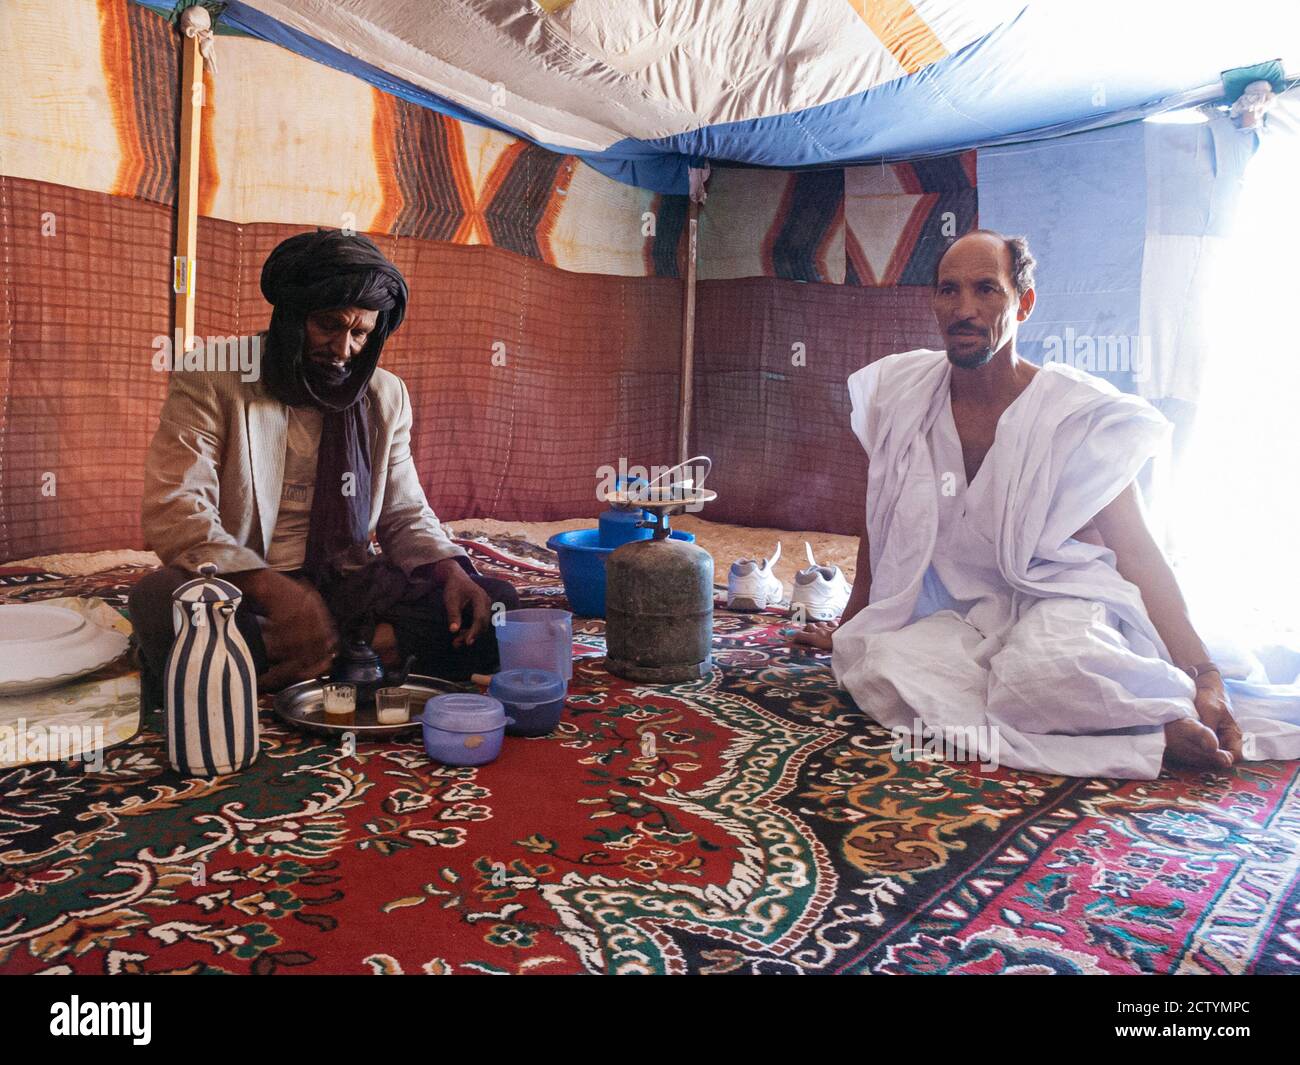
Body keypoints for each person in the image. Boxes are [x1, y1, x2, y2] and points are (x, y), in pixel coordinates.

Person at [793, 229, 1300, 778]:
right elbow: (880, 511)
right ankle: (1152, 732)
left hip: (1060, 598)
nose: (964, 309)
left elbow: (1138, 551)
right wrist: (852, 622)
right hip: (954, 613)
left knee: (1044, 675)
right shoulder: (901, 392)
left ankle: (1157, 713)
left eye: (987, 289)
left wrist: (1206, 675)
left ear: (1024, 302)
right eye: (949, 290)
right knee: (878, 660)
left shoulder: (1076, 413)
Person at [129, 229, 518, 708]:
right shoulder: (214, 376)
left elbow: (404, 512)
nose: (343, 349)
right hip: (247, 583)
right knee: (160, 599)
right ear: (291, 316)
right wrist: (270, 589)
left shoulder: (385, 395)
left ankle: (291, 661)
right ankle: (357, 655)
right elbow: (176, 507)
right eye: (328, 326)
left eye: (360, 333)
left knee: (493, 601)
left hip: (346, 585)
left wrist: (448, 569)